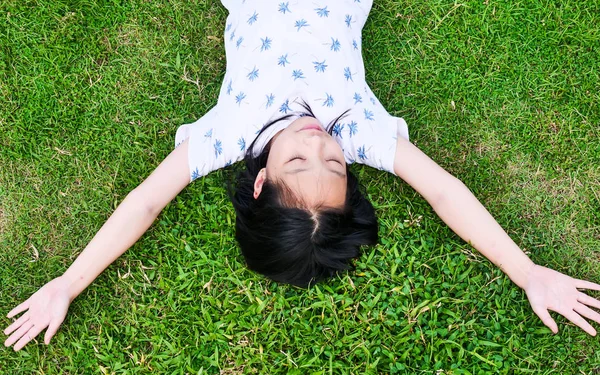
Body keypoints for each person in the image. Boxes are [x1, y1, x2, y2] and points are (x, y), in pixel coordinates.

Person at [4, 0, 600, 352]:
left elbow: (144, 204)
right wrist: (526, 271)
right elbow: (445, 192)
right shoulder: (358, 130)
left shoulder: (226, 138)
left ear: (260, 181)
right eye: (336, 164)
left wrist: (67, 283)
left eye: (298, 162)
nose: (319, 143)